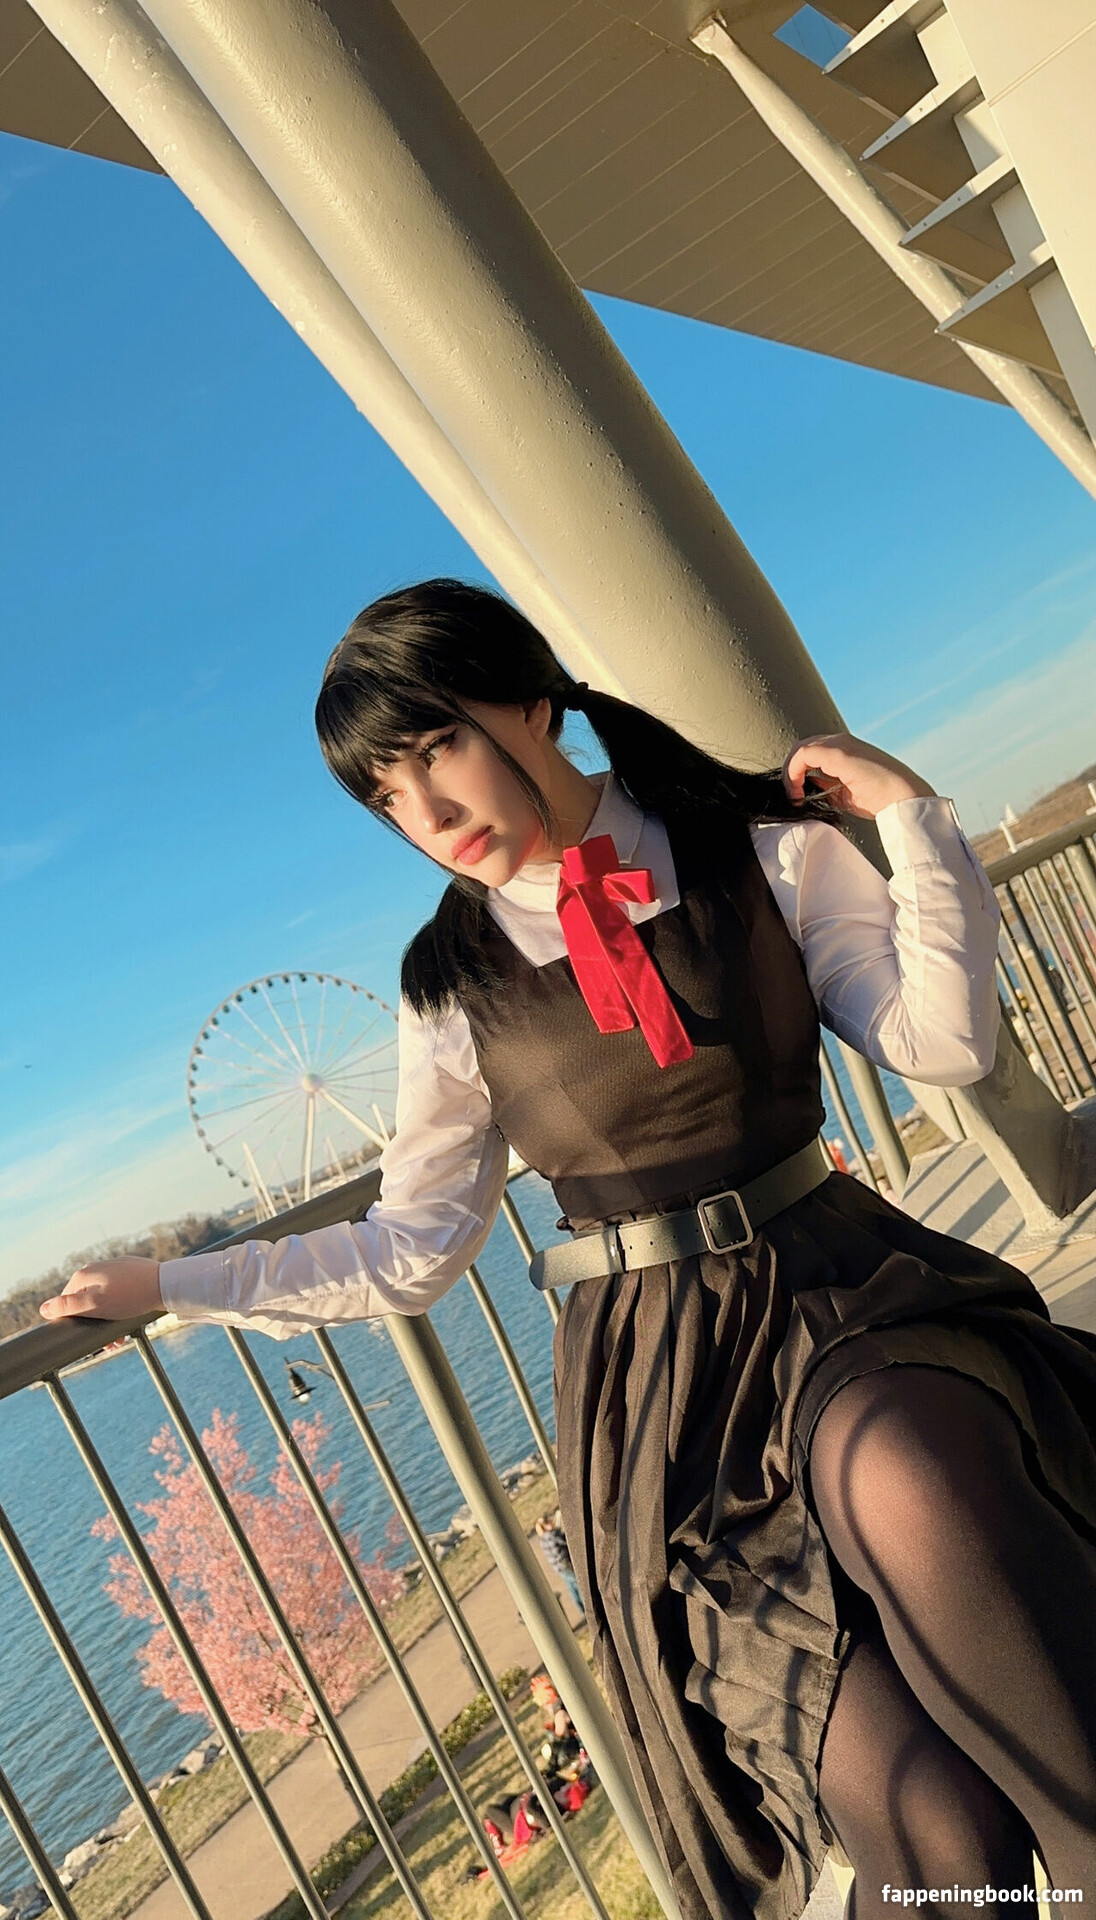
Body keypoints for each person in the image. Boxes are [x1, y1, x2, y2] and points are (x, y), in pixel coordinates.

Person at [42, 580, 1096, 1920]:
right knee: (932, 1820)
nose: (428, 815)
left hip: (846, 1293)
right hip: (669, 1408)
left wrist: (908, 816)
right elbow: (413, 1249)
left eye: (437, 750)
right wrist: (170, 1285)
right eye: (386, 797)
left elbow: (941, 1044)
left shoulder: (760, 850)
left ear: (533, 703)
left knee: (903, 1462)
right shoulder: (448, 988)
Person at [534, 1509, 586, 1616]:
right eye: (548, 1522)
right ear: (544, 1527)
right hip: (565, 1565)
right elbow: (565, 1541)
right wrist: (558, 1530)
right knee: (579, 1584)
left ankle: (581, 1610)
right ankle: (587, 1607)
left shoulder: (542, 1539)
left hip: (559, 1569)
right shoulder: (552, 1535)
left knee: (571, 1588)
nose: (551, 1522)